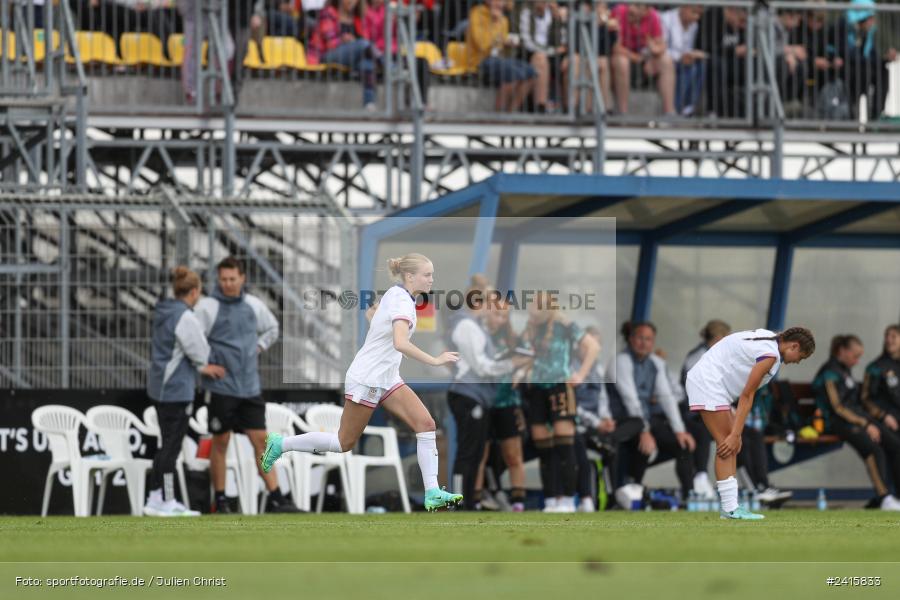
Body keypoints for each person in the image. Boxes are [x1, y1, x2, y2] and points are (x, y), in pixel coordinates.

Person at [261, 253, 464, 512]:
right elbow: (400, 343)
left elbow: (372, 313)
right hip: (368, 377)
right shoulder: (402, 302)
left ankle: (433, 492)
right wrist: (435, 361)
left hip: (387, 376)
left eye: (431, 274)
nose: (431, 279)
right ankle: (281, 444)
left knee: (426, 424)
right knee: (343, 443)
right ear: (410, 276)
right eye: (427, 274)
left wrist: (379, 330)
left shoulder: (396, 292)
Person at [194, 257, 298, 513]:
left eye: (232, 279)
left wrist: (258, 346)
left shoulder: (254, 305)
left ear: (242, 278)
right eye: (223, 279)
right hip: (220, 388)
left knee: (261, 441)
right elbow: (191, 339)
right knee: (221, 441)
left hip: (249, 387)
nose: (228, 284)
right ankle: (220, 499)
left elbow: (272, 329)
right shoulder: (207, 307)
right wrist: (203, 365)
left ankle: (275, 497)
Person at [687, 327, 816, 520]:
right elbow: (747, 395)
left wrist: (736, 434)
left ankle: (731, 507)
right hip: (709, 382)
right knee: (727, 443)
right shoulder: (770, 355)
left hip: (714, 383)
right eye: (801, 356)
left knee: (733, 445)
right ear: (794, 345)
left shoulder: (770, 338)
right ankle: (730, 509)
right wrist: (736, 434)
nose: (798, 361)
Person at [144, 266, 225, 517]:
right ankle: (167, 500)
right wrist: (205, 366)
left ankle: (155, 497)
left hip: (160, 387)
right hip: (176, 389)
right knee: (171, 446)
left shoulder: (164, 312)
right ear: (194, 292)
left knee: (164, 445)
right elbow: (199, 351)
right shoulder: (185, 317)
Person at [447, 280, 530, 510]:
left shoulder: (475, 327)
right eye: (488, 303)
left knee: (474, 453)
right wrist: (511, 364)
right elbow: (482, 367)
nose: (491, 309)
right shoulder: (467, 326)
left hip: (477, 397)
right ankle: (459, 502)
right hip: (467, 394)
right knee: (468, 452)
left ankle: (470, 502)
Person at [521, 291, 599, 513]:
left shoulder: (564, 323)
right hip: (537, 389)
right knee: (544, 447)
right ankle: (551, 498)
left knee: (565, 445)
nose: (531, 310)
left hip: (559, 389)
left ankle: (568, 497)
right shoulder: (531, 327)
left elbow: (593, 347)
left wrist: (580, 375)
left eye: (535, 306)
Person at [612, 321, 701, 501]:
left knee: (683, 444)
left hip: (646, 419)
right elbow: (631, 401)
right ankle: (632, 488)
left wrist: (679, 430)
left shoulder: (656, 363)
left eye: (649, 339)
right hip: (623, 420)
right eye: (640, 338)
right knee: (643, 442)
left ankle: (689, 495)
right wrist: (644, 431)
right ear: (630, 339)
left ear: (653, 342)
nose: (644, 343)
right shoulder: (621, 361)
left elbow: (666, 397)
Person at [812, 335, 900, 511]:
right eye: (855, 356)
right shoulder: (830, 372)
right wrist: (866, 424)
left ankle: (895, 495)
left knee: (895, 444)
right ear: (842, 351)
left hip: (858, 420)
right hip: (835, 422)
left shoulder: (844, 370)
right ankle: (884, 498)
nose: (857, 361)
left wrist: (871, 421)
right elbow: (838, 408)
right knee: (873, 449)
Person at [483, 295, 529, 511]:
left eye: (504, 316)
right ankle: (480, 497)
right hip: (482, 401)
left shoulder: (511, 338)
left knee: (513, 454)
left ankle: (518, 501)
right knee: (481, 454)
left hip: (507, 402)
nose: (500, 320)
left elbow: (528, 359)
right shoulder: (478, 334)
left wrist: (519, 373)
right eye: (497, 314)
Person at [679, 319, 729, 499]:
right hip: (691, 414)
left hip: (709, 411)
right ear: (717, 337)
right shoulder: (697, 357)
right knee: (703, 432)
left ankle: (756, 486)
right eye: (726, 338)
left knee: (748, 435)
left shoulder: (716, 356)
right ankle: (700, 477)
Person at [464, 0, 537, 112]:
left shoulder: (503, 20)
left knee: (531, 72)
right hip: (480, 61)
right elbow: (482, 44)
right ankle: (499, 115)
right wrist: (494, 22)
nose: (500, 3)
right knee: (512, 74)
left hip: (499, 59)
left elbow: (501, 48)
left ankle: (511, 113)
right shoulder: (476, 14)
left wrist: (509, 45)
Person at [308, 0, 378, 110]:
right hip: (325, 56)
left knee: (366, 62)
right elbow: (331, 43)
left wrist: (353, 44)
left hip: (351, 58)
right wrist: (344, 41)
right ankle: (385, 63)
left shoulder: (358, 18)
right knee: (363, 45)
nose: (351, 1)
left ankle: (369, 103)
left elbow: (367, 40)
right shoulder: (328, 12)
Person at [610, 2, 675, 116]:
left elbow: (661, 44)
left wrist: (655, 51)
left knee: (666, 60)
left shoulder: (653, 16)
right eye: (630, 4)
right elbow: (615, 47)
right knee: (621, 61)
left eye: (636, 6)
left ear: (647, 11)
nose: (631, 9)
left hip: (643, 60)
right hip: (624, 58)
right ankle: (622, 113)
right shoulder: (619, 11)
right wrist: (637, 58)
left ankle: (669, 112)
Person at [513, 0, 565, 113]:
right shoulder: (525, 11)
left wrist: (557, 19)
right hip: (528, 53)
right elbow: (526, 42)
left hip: (550, 54)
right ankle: (540, 107)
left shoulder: (551, 13)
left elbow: (559, 41)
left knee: (573, 61)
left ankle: (571, 110)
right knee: (540, 59)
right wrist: (549, 51)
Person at [660, 4, 705, 116]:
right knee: (688, 69)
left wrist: (692, 55)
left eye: (699, 14)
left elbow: (688, 47)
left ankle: (688, 108)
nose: (697, 17)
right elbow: (661, 47)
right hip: (666, 61)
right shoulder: (665, 19)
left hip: (682, 61)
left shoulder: (694, 25)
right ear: (684, 7)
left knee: (699, 66)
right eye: (694, 12)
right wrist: (680, 57)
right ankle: (676, 108)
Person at [862, 324, 900, 426]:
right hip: (887, 420)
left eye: (893, 336)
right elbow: (865, 398)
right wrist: (883, 416)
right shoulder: (875, 367)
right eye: (886, 336)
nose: (888, 339)